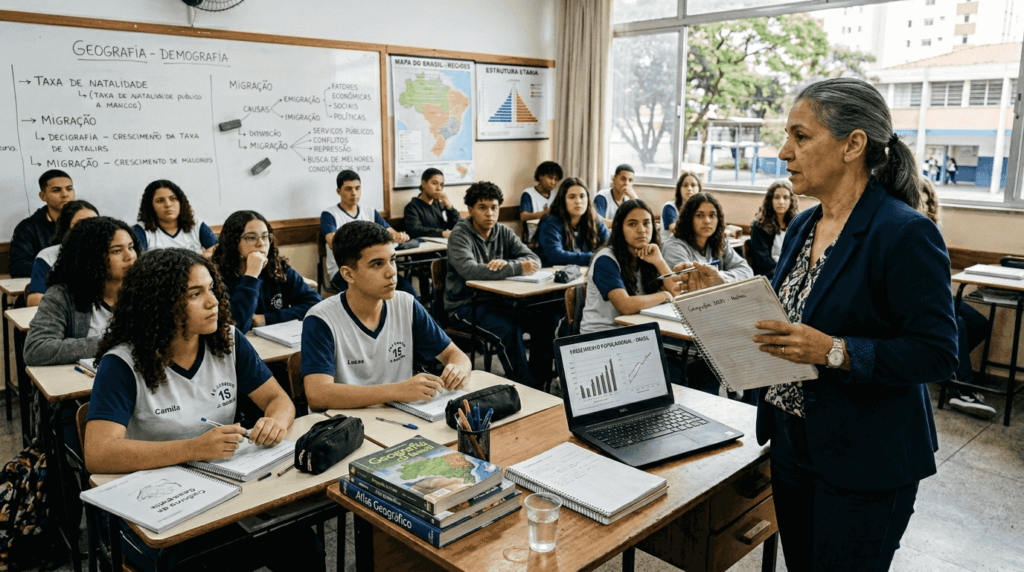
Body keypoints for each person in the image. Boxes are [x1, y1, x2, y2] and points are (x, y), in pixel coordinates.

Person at [680, 77, 957, 571]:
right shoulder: (806, 224)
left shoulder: (904, 233)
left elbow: (936, 352)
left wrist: (836, 350)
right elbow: (791, 319)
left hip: (865, 455)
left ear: (854, 144)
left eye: (801, 137)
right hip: (793, 441)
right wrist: (722, 294)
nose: (784, 151)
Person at [84, 247, 321, 572]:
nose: (213, 302)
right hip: (151, 510)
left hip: (226, 492)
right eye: (196, 294)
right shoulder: (122, 364)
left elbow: (279, 401)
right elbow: (99, 453)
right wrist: (193, 448)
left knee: (300, 542)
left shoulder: (227, 341)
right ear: (160, 302)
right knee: (195, 564)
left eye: (212, 289)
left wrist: (275, 422)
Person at [302, 221, 471, 410]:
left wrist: (457, 369)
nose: (391, 272)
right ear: (348, 274)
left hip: (399, 419)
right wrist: (397, 391)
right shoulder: (320, 319)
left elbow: (457, 356)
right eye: (377, 264)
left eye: (392, 260)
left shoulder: (406, 304)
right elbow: (318, 395)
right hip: (345, 427)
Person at [444, 181, 549, 388]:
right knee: (507, 330)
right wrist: (516, 267)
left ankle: (538, 381)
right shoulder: (460, 235)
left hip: (496, 302)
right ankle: (524, 386)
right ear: (471, 210)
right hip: (463, 306)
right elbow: (470, 271)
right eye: (482, 208)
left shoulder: (504, 232)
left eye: (494, 208)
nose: (489, 213)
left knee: (544, 320)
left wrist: (509, 263)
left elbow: (533, 260)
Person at [917, 180, 995, 418]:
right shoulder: (903, 224)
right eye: (919, 199)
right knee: (956, 325)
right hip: (921, 297)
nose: (923, 204)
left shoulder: (930, 226)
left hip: (937, 292)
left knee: (979, 323)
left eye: (926, 200)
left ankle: (945, 368)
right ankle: (960, 390)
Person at [24, 217, 139, 367]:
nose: (130, 256)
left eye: (131, 247)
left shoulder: (143, 289)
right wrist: (108, 341)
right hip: (83, 383)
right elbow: (35, 350)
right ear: (91, 256)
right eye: (116, 251)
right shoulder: (62, 296)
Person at [579, 200, 680, 335]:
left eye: (646, 223)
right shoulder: (605, 260)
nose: (641, 230)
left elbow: (677, 293)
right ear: (620, 228)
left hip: (634, 332)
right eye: (632, 224)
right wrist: (664, 295)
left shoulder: (648, 255)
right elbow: (625, 306)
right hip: (601, 337)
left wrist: (659, 261)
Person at [212, 210, 321, 334]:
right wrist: (251, 275)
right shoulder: (217, 276)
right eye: (251, 237)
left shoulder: (278, 268)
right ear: (234, 242)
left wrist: (266, 319)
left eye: (265, 236)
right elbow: (235, 325)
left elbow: (315, 305)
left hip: (277, 342)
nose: (261, 243)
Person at [321, 170, 414, 295]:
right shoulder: (329, 214)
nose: (354, 193)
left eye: (357, 188)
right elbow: (333, 242)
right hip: (344, 271)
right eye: (348, 189)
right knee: (373, 290)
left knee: (406, 288)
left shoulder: (369, 211)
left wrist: (399, 236)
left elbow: (390, 233)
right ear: (339, 191)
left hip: (376, 266)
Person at [663, 193, 753, 283]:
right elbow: (688, 283)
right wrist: (717, 278)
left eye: (712, 215)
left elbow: (747, 271)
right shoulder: (674, 247)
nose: (707, 221)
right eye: (700, 215)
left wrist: (718, 277)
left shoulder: (720, 242)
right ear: (688, 218)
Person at [26, 200, 99, 307]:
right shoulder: (48, 257)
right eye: (80, 224)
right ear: (66, 228)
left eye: (96, 223)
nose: (90, 229)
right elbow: (35, 300)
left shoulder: (111, 253)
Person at [10, 170, 76, 278]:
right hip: (45, 288)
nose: (65, 194)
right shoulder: (27, 228)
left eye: (69, 189)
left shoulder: (84, 222)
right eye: (56, 190)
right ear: (43, 196)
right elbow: (18, 266)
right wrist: (61, 272)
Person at [535, 177, 609, 267]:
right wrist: (594, 257)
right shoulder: (550, 222)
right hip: (553, 274)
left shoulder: (595, 220)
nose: (578, 201)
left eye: (582, 196)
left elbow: (609, 248)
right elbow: (555, 255)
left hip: (585, 272)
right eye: (572, 197)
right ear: (563, 200)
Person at [133, 179, 218, 256]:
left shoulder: (197, 226)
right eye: (160, 201)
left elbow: (216, 250)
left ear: (181, 202)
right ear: (150, 206)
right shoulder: (140, 231)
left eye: (173, 199)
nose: (168, 204)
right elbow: (136, 261)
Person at [747, 180, 799, 279]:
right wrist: (787, 274)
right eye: (776, 197)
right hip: (770, 276)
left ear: (791, 201)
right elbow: (764, 263)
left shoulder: (796, 224)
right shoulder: (759, 226)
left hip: (792, 273)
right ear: (770, 200)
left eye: (786, 197)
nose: (781, 202)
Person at [403, 168, 461, 239]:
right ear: (423, 183)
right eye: (434, 183)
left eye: (441, 185)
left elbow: (459, 227)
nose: (439, 188)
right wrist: (442, 233)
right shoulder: (412, 207)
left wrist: (450, 207)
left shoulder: (440, 205)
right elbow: (414, 230)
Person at [519, 161, 563, 243]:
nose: (553, 182)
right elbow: (523, 216)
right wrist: (544, 213)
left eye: (556, 179)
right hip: (535, 237)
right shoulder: (528, 194)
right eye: (550, 178)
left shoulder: (556, 194)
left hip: (554, 233)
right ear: (540, 176)